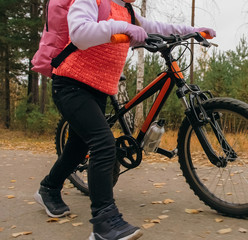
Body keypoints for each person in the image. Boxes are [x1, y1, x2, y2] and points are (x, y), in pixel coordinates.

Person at [33, 0, 215, 239]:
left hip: (97, 89)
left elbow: (159, 26)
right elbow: (79, 33)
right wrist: (123, 28)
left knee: (78, 148)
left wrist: (192, 30)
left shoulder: (127, 11)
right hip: (70, 84)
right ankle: (104, 223)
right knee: (103, 143)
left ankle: (49, 188)